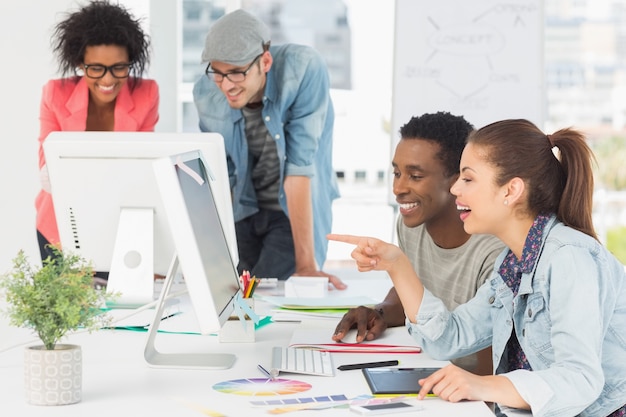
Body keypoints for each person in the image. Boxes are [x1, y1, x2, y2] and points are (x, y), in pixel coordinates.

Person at [328, 119, 626, 417]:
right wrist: (396, 264)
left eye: (468, 179)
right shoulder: (511, 265)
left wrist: (483, 385)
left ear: (511, 191)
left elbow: (580, 380)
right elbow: (449, 338)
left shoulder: (569, 258)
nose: (455, 188)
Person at [332, 112, 504, 375]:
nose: (398, 188)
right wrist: (380, 311)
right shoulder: (410, 225)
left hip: (469, 389)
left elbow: (490, 363)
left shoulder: (494, 251)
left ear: (458, 180)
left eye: (415, 176)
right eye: (397, 173)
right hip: (429, 370)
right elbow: (417, 297)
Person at [193, 9, 344, 289]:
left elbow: (299, 169)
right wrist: (208, 257)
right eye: (218, 72)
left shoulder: (303, 70)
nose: (226, 85)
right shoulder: (205, 91)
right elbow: (219, 176)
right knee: (230, 295)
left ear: (265, 61)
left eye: (237, 72)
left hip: (289, 212)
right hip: (243, 209)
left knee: (270, 297)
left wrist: (307, 267)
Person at [36, 0, 159, 264]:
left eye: (119, 67)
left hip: (119, 225)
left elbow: (144, 167)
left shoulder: (147, 94)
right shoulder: (54, 94)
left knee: (118, 303)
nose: (107, 79)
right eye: (96, 69)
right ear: (81, 64)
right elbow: (48, 173)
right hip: (59, 226)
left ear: (131, 62)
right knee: (67, 304)